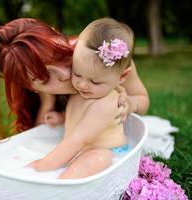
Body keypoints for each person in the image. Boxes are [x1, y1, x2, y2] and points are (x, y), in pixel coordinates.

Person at [0, 18, 149, 141]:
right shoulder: (43, 92)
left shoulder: (105, 59)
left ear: (57, 35)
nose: (64, 74)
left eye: (60, 55)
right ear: (32, 87)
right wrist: (47, 103)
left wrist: (131, 104)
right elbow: (42, 135)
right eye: (45, 78)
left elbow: (142, 99)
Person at [29, 18, 146, 179]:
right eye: (77, 73)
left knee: (94, 160)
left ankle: (62, 186)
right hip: (80, 147)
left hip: (105, 150)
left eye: (95, 81)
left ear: (122, 77)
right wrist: (62, 117)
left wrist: (41, 166)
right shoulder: (87, 89)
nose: (82, 84)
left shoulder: (107, 103)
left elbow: (79, 140)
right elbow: (80, 116)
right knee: (71, 156)